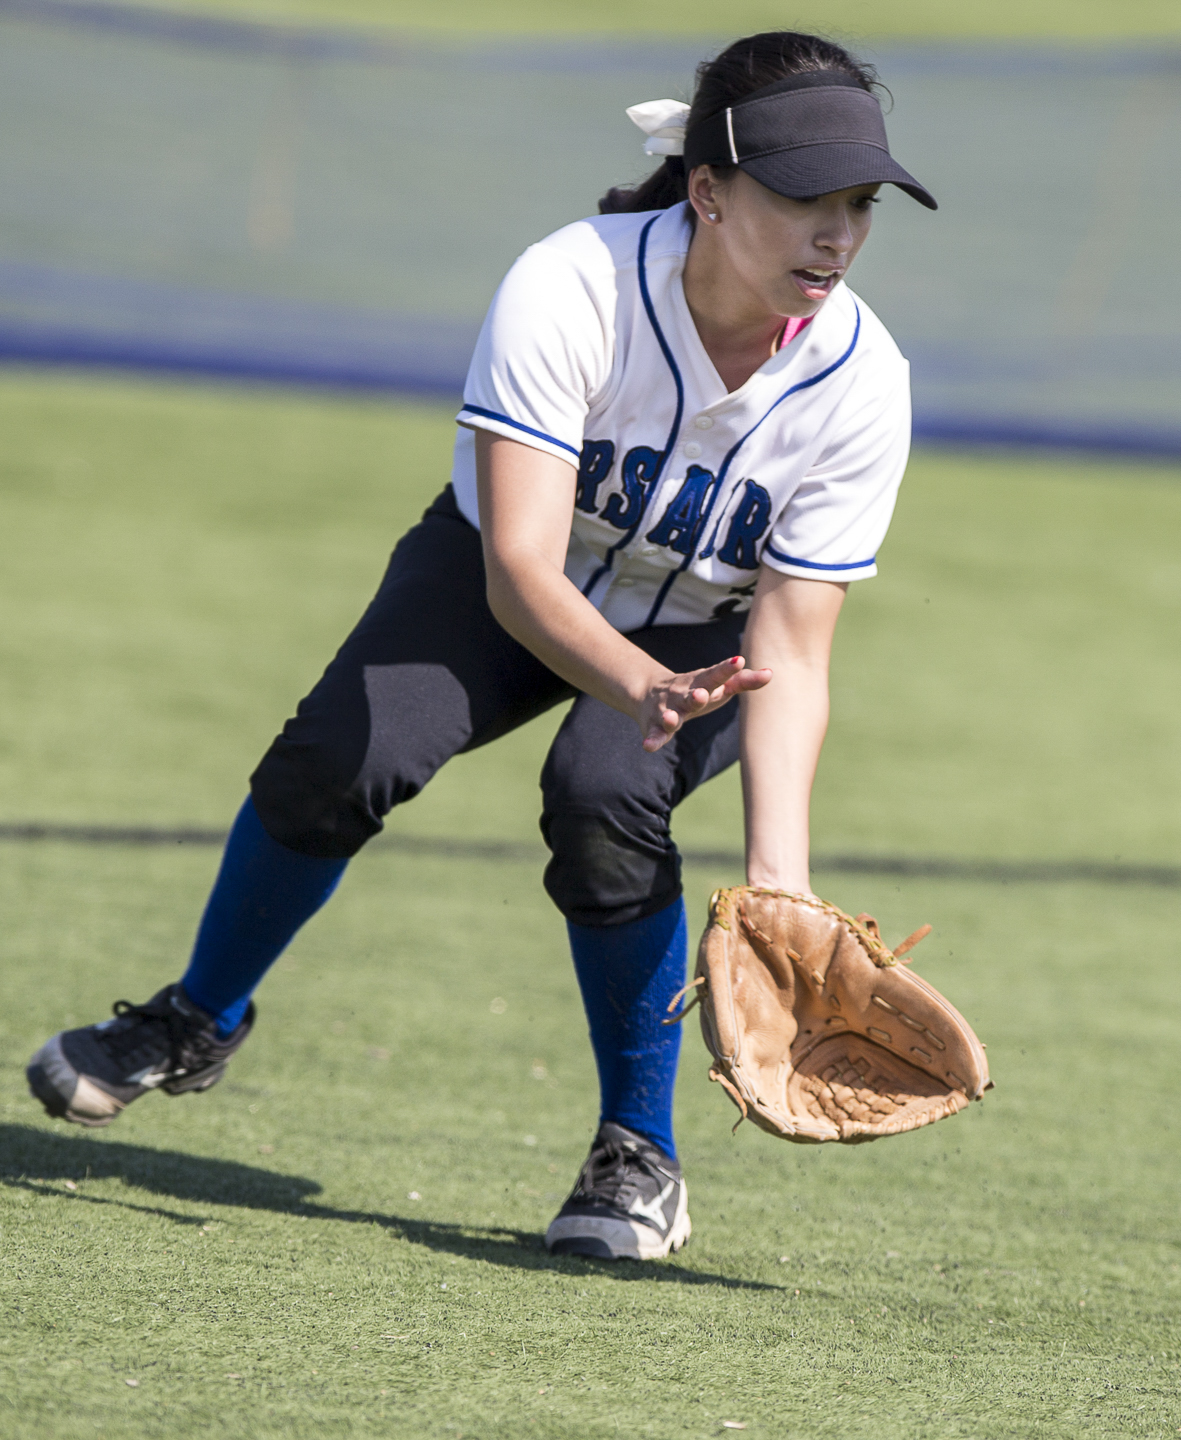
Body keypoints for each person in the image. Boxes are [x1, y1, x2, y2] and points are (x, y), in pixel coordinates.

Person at [25, 31, 936, 1262]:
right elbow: (516, 565)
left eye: (856, 204)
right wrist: (631, 682)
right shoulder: (574, 284)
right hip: (512, 575)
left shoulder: (860, 381)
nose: (834, 234)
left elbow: (795, 649)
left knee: (603, 790)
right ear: (709, 193)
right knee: (339, 757)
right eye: (798, 197)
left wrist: (781, 878)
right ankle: (198, 1015)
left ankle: (637, 1159)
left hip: (704, 630)